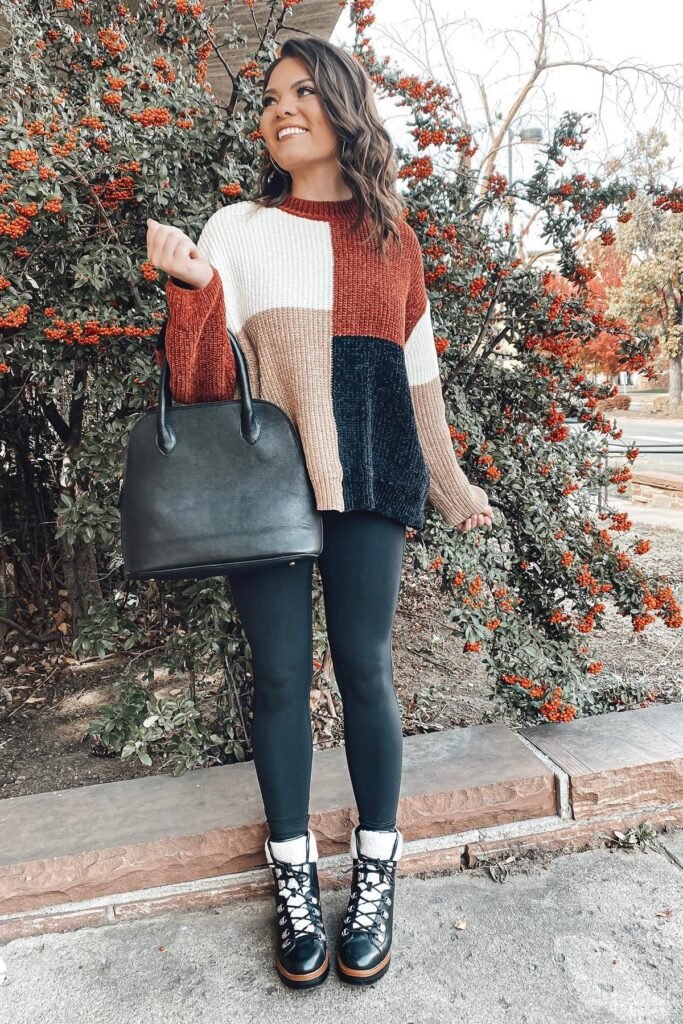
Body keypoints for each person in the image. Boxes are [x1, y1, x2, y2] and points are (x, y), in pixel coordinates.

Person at [146, 35, 493, 991]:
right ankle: (293, 875)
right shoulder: (237, 229)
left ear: (344, 106)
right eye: (269, 97)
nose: (279, 107)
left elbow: (417, 382)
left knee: (369, 671)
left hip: (373, 471)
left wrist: (451, 485)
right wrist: (190, 294)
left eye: (302, 90)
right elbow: (206, 384)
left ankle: (374, 870)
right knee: (277, 679)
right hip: (266, 480)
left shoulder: (396, 239)